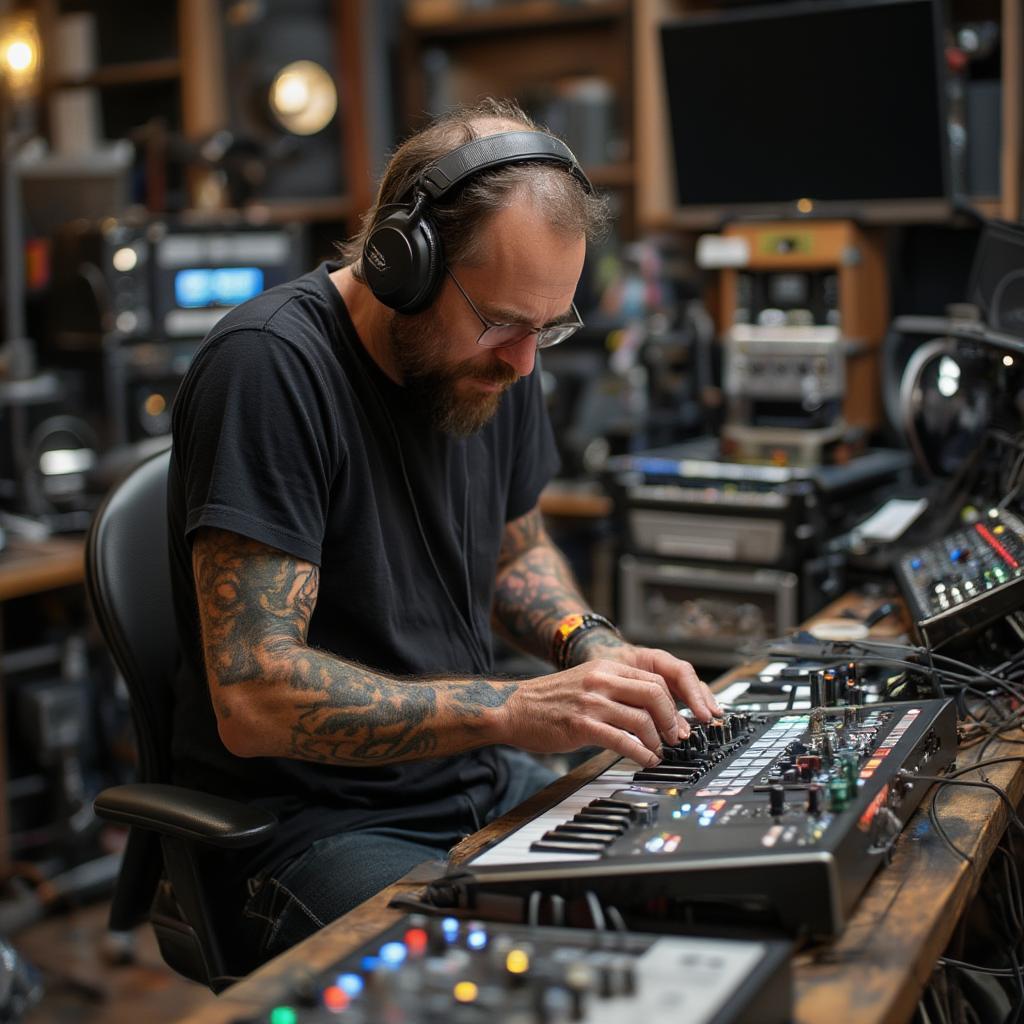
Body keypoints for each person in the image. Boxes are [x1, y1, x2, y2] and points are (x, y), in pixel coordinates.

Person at [167, 97, 722, 969]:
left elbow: (519, 550)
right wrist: (508, 707)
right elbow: (253, 696)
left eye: (548, 327)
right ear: (403, 264)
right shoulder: (269, 369)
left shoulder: (503, 357)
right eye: (502, 322)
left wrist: (590, 647)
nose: (524, 360)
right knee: (548, 975)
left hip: (472, 786)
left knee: (694, 891)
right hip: (306, 835)